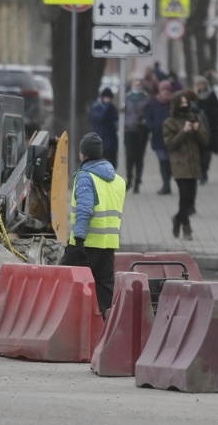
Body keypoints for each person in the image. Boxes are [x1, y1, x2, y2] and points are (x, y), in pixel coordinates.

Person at [58, 132, 127, 316]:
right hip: (108, 247)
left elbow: (85, 210)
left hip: (85, 246)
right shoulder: (118, 181)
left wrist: (78, 239)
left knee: (62, 284)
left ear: (83, 154)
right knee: (105, 293)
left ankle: (65, 328)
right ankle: (106, 333)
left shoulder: (85, 177)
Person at [163, 92, 209, 240]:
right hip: (179, 165)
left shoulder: (195, 119)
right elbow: (170, 144)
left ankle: (177, 219)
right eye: (182, 103)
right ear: (176, 105)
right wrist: (184, 131)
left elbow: (205, 141)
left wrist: (196, 130)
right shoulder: (169, 122)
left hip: (194, 164)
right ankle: (186, 227)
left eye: (186, 103)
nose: (185, 105)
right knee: (185, 195)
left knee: (190, 201)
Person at [145, 80, 174, 194]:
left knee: (170, 163)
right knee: (163, 162)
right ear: (160, 91)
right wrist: (152, 127)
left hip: (171, 138)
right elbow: (148, 118)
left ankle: (167, 183)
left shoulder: (172, 103)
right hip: (158, 138)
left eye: (167, 90)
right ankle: (166, 185)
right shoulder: (154, 103)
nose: (165, 93)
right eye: (163, 90)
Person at [193, 75, 218, 184]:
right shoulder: (194, 96)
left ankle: (204, 171)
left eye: (203, 83)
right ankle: (199, 170)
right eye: (199, 84)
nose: (201, 86)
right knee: (197, 151)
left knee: (207, 151)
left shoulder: (211, 95)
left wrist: (215, 122)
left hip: (210, 128)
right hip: (196, 129)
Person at [123, 78, 150, 193]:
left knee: (139, 157)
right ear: (132, 85)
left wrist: (145, 121)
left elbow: (149, 114)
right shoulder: (126, 98)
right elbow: (121, 113)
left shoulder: (146, 99)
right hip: (129, 130)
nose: (137, 86)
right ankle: (129, 179)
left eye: (139, 84)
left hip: (141, 131)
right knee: (129, 156)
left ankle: (138, 182)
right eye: (135, 84)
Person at [89, 87, 119, 168]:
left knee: (112, 163)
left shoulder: (112, 107)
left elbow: (116, 120)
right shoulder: (97, 107)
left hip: (110, 141)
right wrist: (107, 108)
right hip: (100, 139)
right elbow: (100, 118)